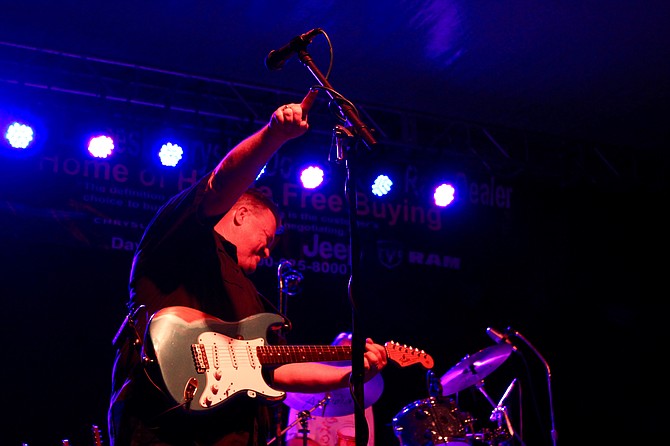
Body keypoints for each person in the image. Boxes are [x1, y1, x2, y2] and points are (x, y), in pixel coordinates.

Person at [107, 89, 388, 446]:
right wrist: (274, 135)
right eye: (267, 236)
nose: (268, 250)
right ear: (240, 215)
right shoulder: (184, 239)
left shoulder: (252, 302)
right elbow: (219, 183)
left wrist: (351, 373)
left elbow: (277, 368)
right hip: (164, 430)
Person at [284, 332, 380, 446]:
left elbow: (368, 442)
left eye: (349, 358)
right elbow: (295, 442)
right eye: (341, 355)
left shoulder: (364, 398)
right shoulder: (304, 392)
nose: (344, 363)